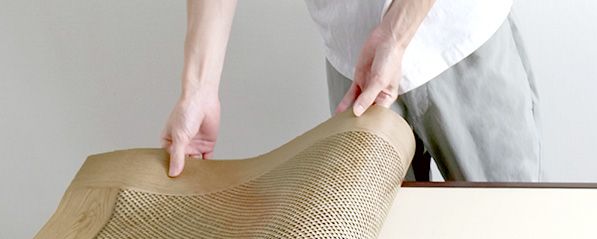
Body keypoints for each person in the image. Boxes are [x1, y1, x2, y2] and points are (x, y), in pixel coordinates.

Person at [162, 0, 541, 182]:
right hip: (354, 64)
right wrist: (199, 87)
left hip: (460, 40)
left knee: (510, 235)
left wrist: (396, 34)